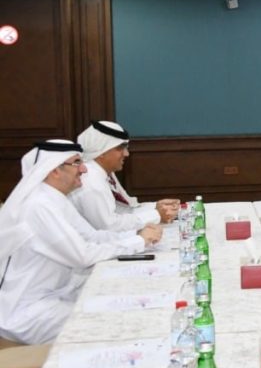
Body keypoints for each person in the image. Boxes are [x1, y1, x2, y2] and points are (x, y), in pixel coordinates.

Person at [0, 140, 161, 344]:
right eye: (77, 163)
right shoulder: (38, 206)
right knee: (118, 325)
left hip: (59, 295)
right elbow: (82, 256)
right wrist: (138, 242)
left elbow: (93, 237)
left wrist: (137, 235)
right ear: (54, 170)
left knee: (128, 302)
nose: (84, 169)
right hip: (29, 312)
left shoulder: (55, 199)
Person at [70, 121, 179, 231]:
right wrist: (156, 214)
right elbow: (110, 226)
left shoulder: (102, 172)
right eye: (120, 148)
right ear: (101, 151)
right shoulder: (91, 180)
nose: (127, 154)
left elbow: (122, 210)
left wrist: (156, 207)